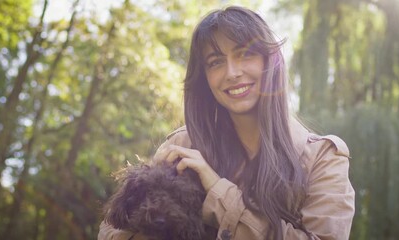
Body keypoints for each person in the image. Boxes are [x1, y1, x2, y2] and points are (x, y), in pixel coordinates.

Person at [98, 5, 355, 240]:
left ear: (270, 62)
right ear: (205, 79)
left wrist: (218, 191)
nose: (232, 73)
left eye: (244, 54)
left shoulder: (323, 159)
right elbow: (113, 229)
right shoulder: (182, 145)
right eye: (216, 62)